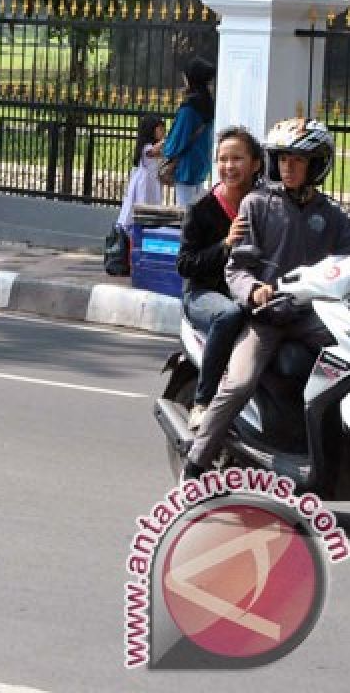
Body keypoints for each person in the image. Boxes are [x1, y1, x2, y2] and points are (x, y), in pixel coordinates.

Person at [183, 118, 350, 480]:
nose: (287, 167)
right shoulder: (257, 205)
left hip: (312, 316)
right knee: (239, 382)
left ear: (317, 164)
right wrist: (253, 291)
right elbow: (237, 268)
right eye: (282, 159)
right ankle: (195, 464)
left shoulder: (334, 216)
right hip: (267, 316)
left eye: (297, 159)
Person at [176, 125, 263, 431]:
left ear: (255, 163)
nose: (229, 166)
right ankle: (203, 402)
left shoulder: (266, 203)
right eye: (223, 159)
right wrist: (225, 245)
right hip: (205, 295)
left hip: (252, 292)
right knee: (230, 314)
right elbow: (185, 264)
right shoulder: (202, 209)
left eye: (237, 159)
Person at [164, 57, 216, 207]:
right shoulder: (208, 103)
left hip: (186, 167)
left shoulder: (189, 108)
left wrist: (166, 150)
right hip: (201, 164)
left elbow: (176, 141)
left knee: (185, 212)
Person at [116, 114, 166, 229]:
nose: (162, 132)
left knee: (150, 209)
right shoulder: (146, 147)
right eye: (160, 129)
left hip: (152, 182)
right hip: (144, 183)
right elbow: (152, 152)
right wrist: (167, 140)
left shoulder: (154, 146)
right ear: (150, 130)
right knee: (141, 208)